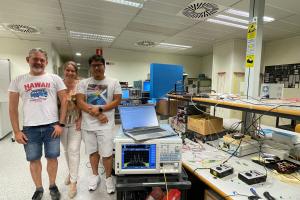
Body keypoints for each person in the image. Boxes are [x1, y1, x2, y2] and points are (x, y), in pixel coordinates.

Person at [8, 48, 67, 200]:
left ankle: (53, 185)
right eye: (35, 59)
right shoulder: (18, 80)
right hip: (30, 129)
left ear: (46, 62)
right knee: (34, 159)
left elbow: (65, 101)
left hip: (52, 127)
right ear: (28, 60)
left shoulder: (55, 79)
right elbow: (12, 108)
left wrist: (61, 124)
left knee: (52, 158)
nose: (38, 62)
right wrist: (16, 131)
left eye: (42, 60)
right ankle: (39, 188)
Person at [76, 54, 121, 194]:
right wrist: (97, 113)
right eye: (94, 65)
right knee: (92, 153)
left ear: (104, 66)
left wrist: (101, 109)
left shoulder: (113, 82)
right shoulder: (83, 83)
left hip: (105, 125)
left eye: (99, 65)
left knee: (107, 154)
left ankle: (108, 178)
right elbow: (80, 102)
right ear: (90, 67)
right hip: (88, 125)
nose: (97, 68)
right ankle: (95, 176)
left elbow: (117, 100)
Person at [60, 61, 81, 198]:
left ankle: (74, 182)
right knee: (67, 150)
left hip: (75, 122)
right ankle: (71, 172)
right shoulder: (58, 84)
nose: (70, 72)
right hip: (61, 123)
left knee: (74, 151)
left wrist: (81, 119)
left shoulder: (80, 85)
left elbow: (83, 103)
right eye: (68, 70)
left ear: (76, 72)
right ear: (64, 71)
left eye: (73, 70)